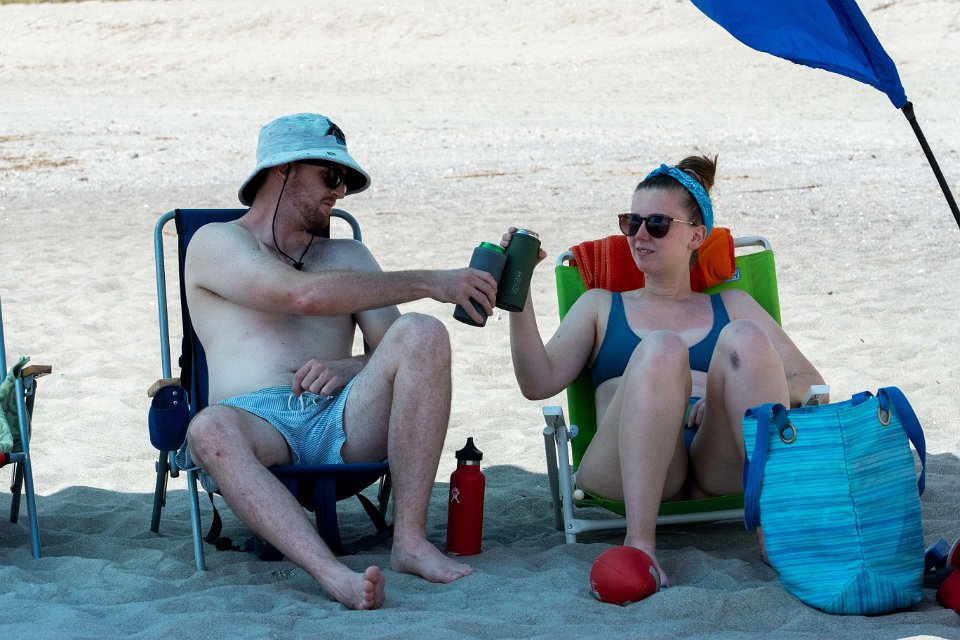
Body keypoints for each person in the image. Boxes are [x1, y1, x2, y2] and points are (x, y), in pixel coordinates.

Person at [175, 113, 498, 610]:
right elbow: (299, 295)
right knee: (208, 429)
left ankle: (410, 542)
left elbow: (394, 351)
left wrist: (349, 368)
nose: (341, 191)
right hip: (256, 423)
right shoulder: (217, 243)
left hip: (343, 415)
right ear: (282, 169)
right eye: (330, 175)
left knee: (423, 331)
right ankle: (332, 574)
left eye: (345, 179)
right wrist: (432, 282)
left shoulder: (350, 255)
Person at [505, 155, 826, 589]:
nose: (639, 235)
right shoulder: (600, 305)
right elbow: (536, 382)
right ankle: (641, 544)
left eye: (656, 224)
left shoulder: (733, 305)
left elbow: (812, 385)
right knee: (662, 348)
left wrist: (722, 397)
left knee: (747, 337)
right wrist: (518, 291)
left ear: (696, 236)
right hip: (623, 468)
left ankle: (774, 531)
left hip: (717, 464)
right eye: (631, 222)